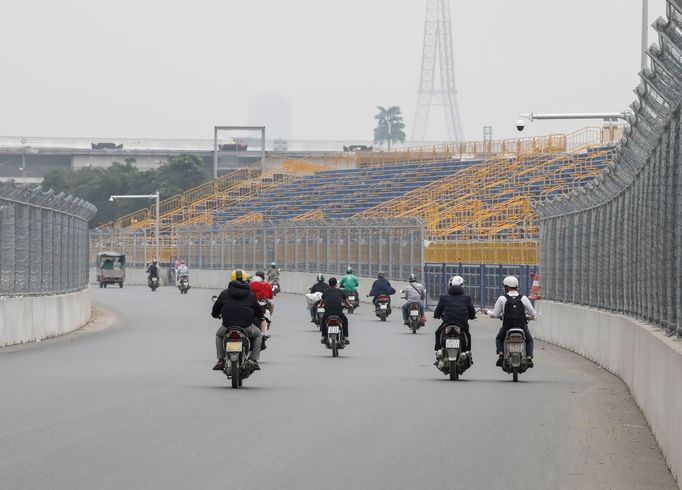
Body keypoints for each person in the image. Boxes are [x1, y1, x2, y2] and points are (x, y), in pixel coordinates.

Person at [211, 269, 265, 371]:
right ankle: (254, 359)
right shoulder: (251, 295)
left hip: (228, 326)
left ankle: (221, 360)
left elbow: (215, 311)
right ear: (245, 280)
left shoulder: (224, 294)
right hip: (247, 327)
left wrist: (216, 315)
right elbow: (259, 311)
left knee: (219, 335)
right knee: (259, 335)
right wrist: (259, 316)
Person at [483, 275, 536, 368]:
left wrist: (487, 312)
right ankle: (529, 358)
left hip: (507, 326)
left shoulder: (502, 298)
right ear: (516, 286)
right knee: (529, 340)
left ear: (506, 287)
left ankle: (501, 355)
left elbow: (495, 314)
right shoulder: (523, 298)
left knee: (499, 338)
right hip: (521, 326)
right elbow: (532, 313)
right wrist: (531, 317)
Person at [433, 276, 476, 353]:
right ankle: (467, 352)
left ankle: (438, 350)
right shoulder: (467, 297)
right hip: (462, 323)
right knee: (467, 335)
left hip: (447, 322)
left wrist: (436, 315)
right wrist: (472, 317)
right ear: (462, 285)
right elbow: (472, 311)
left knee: (438, 333)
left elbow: (438, 310)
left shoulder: (444, 297)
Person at [320, 277, 350, 344]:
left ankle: (324, 336)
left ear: (329, 284)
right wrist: (349, 306)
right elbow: (346, 301)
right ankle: (345, 337)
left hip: (328, 313)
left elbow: (322, 301)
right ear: (336, 284)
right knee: (345, 321)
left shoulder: (325, 291)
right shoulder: (340, 291)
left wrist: (320, 306)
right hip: (338, 313)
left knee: (323, 321)